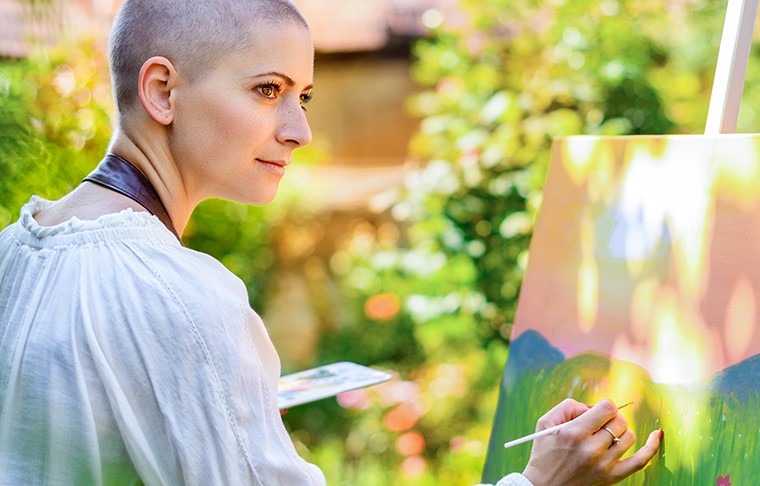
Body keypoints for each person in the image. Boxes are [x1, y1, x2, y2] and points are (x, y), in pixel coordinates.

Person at [0, 0, 661, 484]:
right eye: (268, 91)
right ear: (162, 90)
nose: (300, 130)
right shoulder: (186, 297)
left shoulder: (12, 252)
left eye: (305, 96)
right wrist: (539, 483)